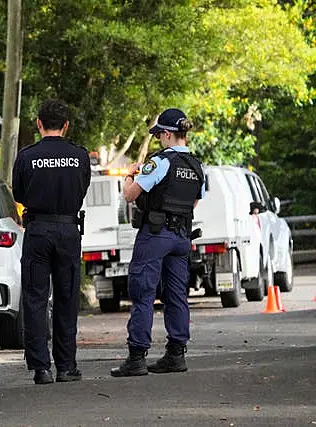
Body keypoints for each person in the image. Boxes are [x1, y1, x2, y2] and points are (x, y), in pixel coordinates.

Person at [111, 108, 204, 377]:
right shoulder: (198, 167)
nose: (158, 140)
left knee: (143, 293)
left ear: (166, 134)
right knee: (177, 295)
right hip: (182, 237)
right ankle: (176, 354)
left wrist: (129, 175)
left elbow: (130, 195)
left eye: (159, 135)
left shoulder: (159, 162)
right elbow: (193, 203)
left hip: (155, 234)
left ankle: (136, 357)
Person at [12, 99, 91, 385]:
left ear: (38, 124)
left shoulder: (26, 156)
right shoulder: (79, 156)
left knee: (35, 298)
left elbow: (19, 193)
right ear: (66, 125)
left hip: (38, 230)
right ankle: (67, 366)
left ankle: (40, 367)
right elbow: (82, 189)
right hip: (68, 231)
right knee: (67, 298)